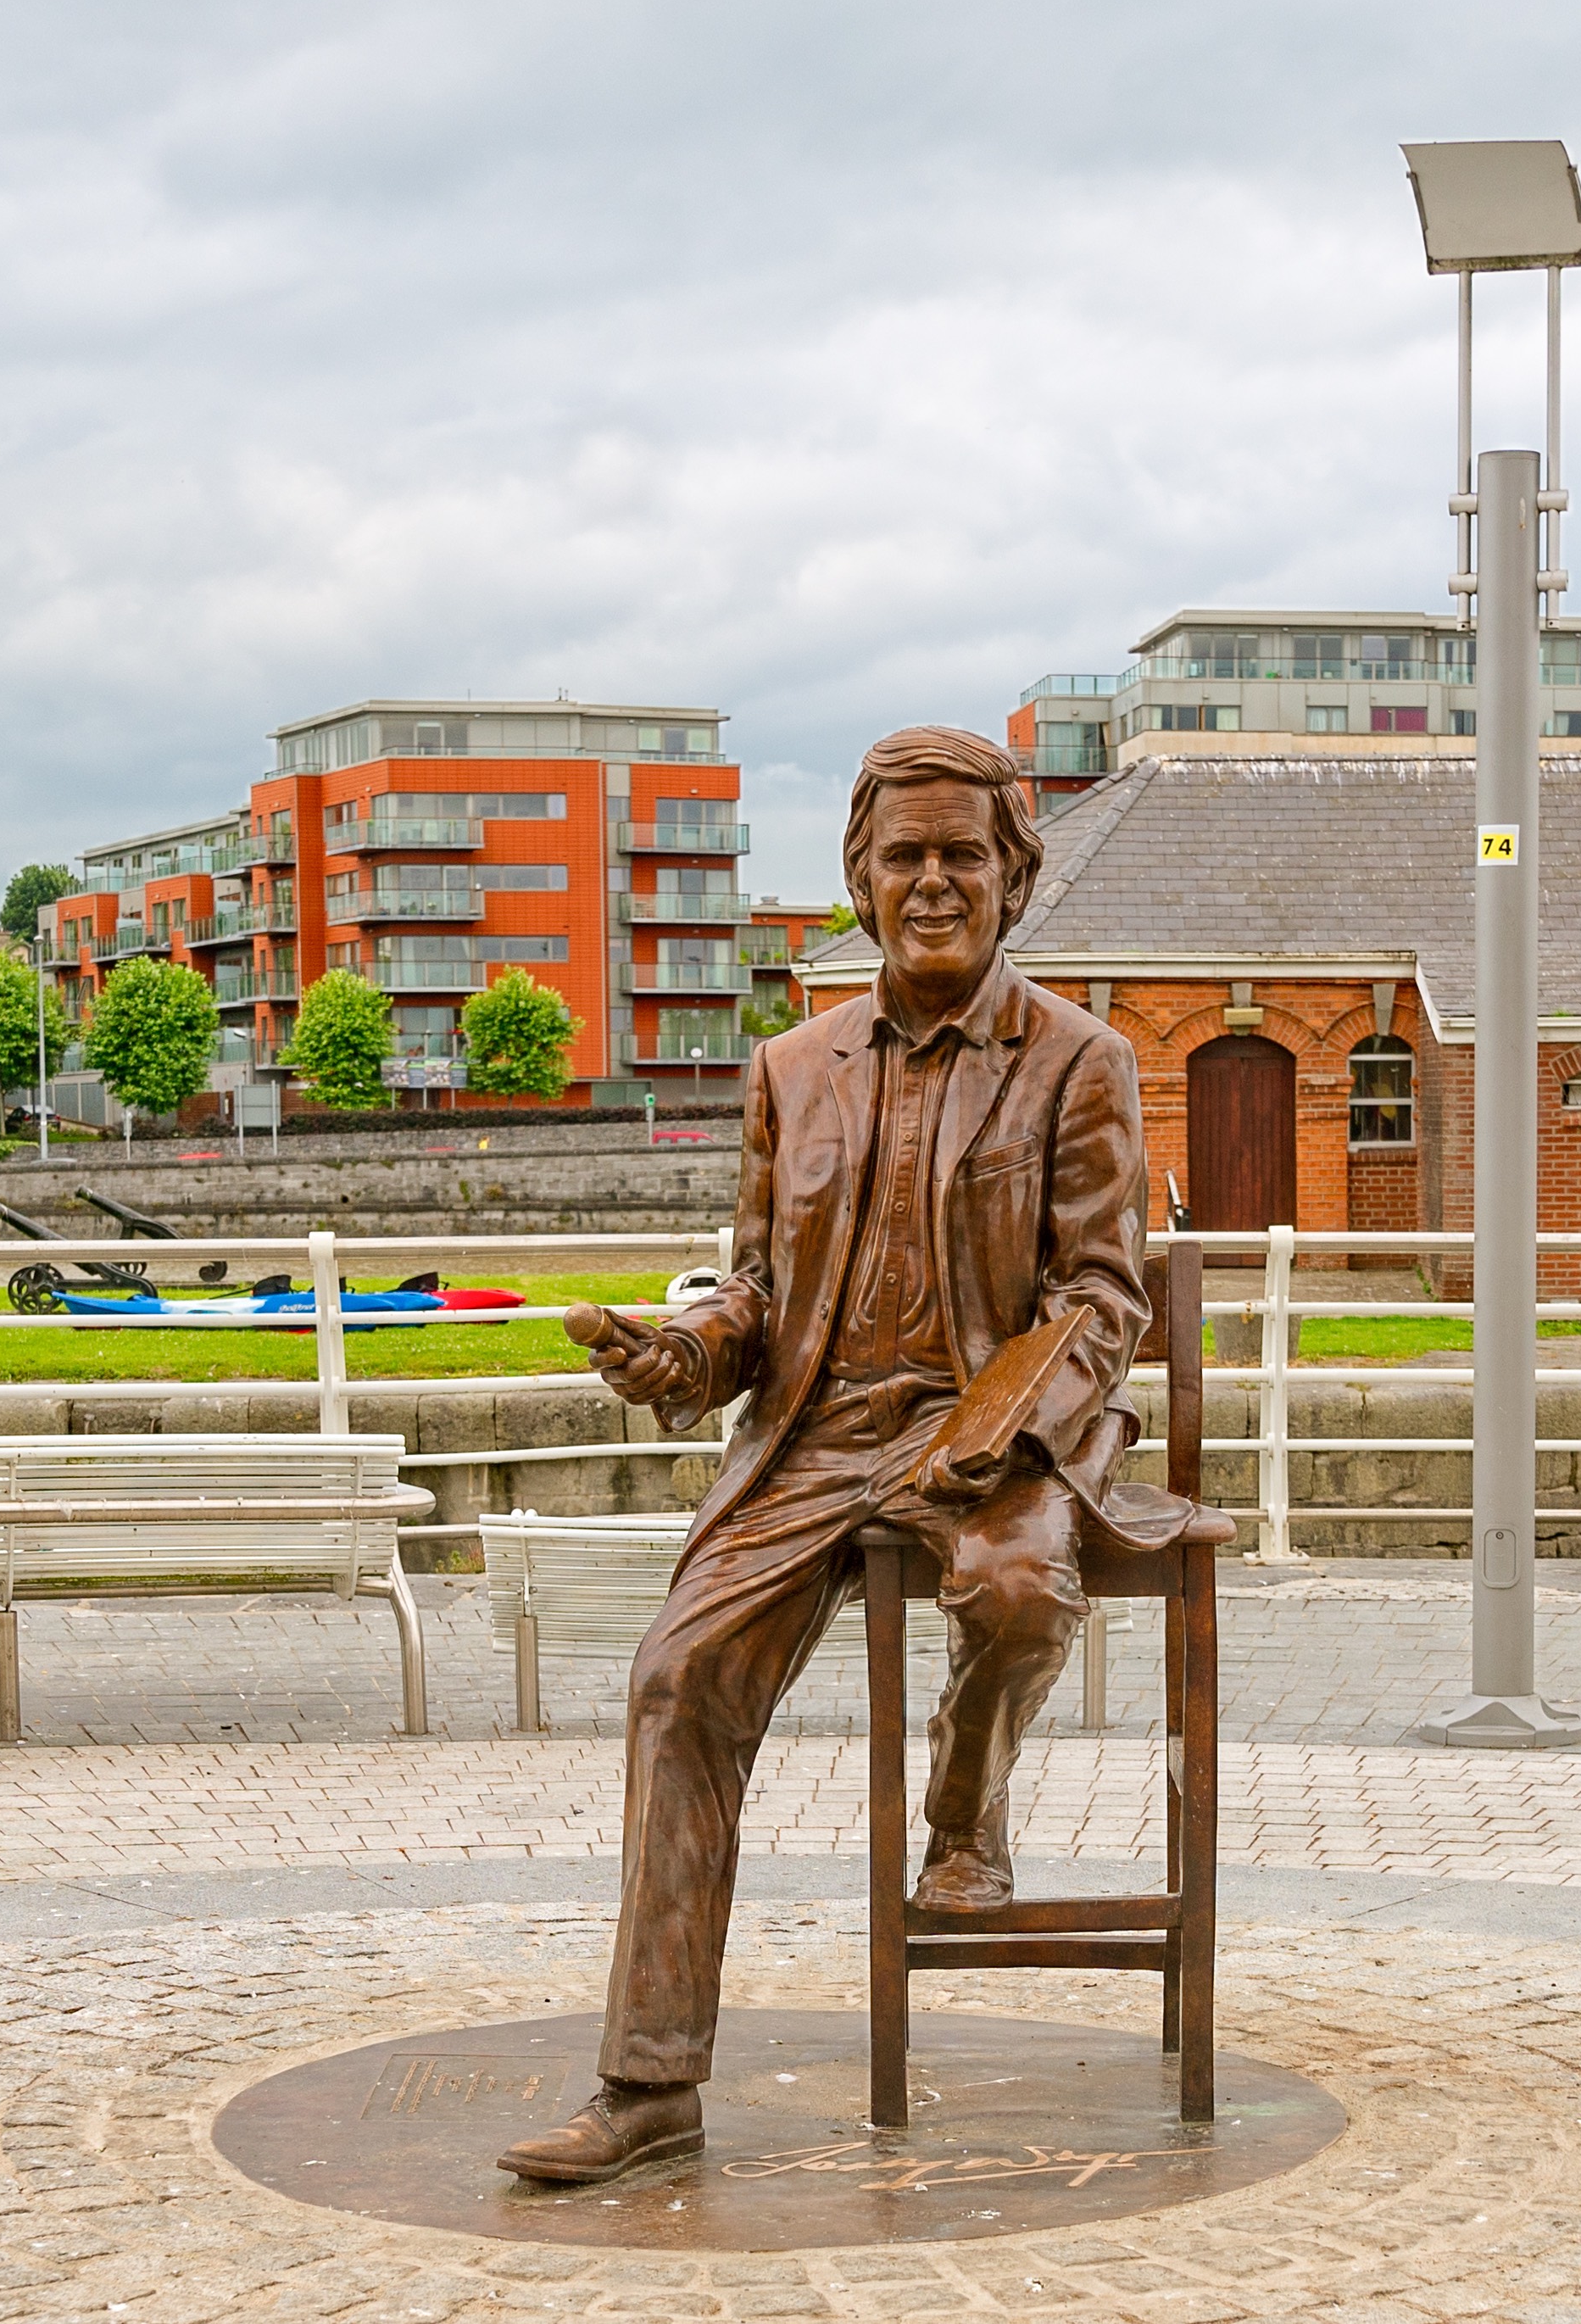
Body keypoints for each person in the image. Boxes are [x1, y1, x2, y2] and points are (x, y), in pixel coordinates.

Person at [490, 725, 1224, 2187]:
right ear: (861, 876)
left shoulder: (1083, 1061)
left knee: (1020, 1597)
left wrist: (992, 1433)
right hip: (816, 1441)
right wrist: (685, 1352)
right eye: (907, 856)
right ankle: (649, 2087)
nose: (934, 882)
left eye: (965, 855)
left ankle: (965, 1804)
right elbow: (756, 1286)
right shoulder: (788, 1067)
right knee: (677, 1676)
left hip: (993, 1433)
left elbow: (1101, 1297)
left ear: (1014, 878)